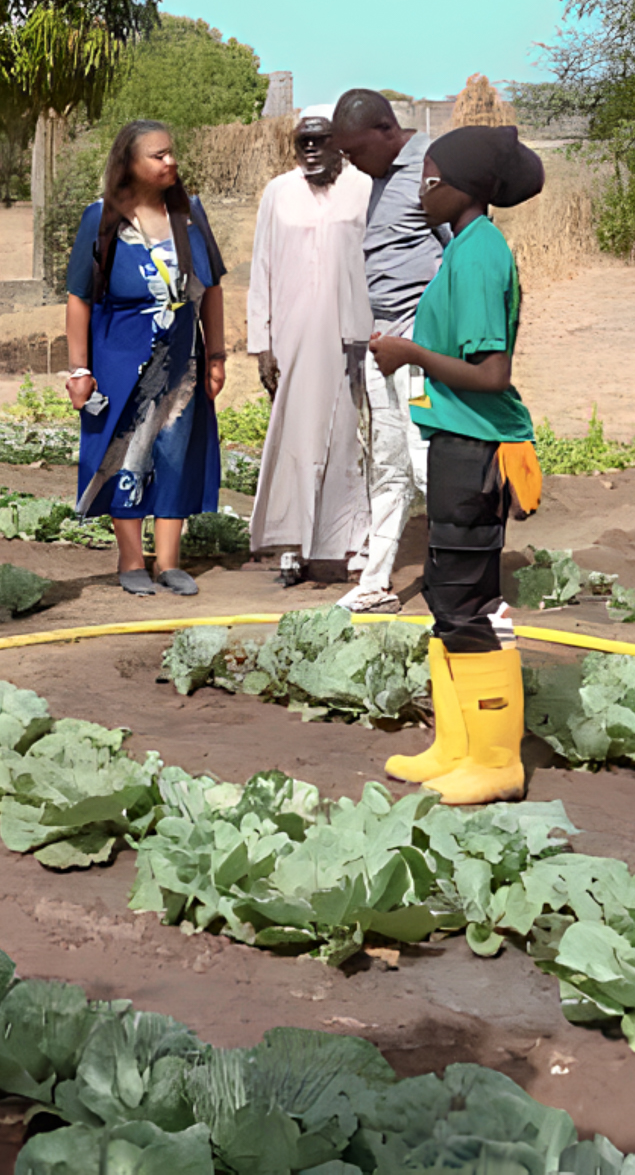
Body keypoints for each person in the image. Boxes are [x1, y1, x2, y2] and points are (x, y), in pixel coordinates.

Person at [370, 125, 545, 807]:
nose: (420, 188)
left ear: (463, 188)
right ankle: (455, 744)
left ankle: (496, 760)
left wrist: (409, 355)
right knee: (447, 596)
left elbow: (491, 373)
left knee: (470, 604)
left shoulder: (479, 256)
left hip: (477, 446)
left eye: (430, 177)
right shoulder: (466, 245)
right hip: (454, 438)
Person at [64, 121, 228, 596]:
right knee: (124, 453)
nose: (170, 162)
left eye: (171, 153)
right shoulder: (100, 220)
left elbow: (212, 289)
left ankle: (170, 563)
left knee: (175, 452)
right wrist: (80, 369)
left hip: (181, 361)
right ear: (130, 164)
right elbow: (79, 299)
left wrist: (215, 354)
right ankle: (132, 560)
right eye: (158, 156)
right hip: (120, 359)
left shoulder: (192, 216)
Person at [331, 90, 447, 613]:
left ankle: (456, 582)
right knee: (388, 464)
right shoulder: (379, 180)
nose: (350, 162)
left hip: (419, 347)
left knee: (427, 464)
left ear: (385, 130)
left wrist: (431, 341)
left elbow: (458, 252)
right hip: (384, 344)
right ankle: (376, 582)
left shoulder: (431, 168)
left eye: (355, 150)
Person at [245, 104, 372, 582]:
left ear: (339, 142)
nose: (313, 149)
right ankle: (292, 548)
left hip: (353, 335)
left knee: (351, 438)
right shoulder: (278, 193)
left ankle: (356, 546)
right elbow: (262, 269)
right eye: (304, 141)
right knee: (295, 438)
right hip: (293, 338)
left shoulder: (362, 188)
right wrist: (263, 343)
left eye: (322, 139)